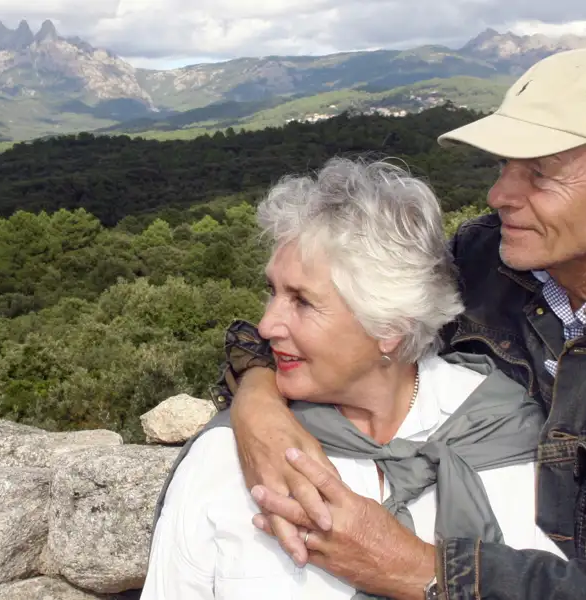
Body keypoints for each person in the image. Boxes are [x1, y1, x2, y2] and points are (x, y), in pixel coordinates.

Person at [221, 46, 586, 599]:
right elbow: (334, 322)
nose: (499, 194)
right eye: (503, 167)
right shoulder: (485, 259)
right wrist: (258, 405)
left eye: (539, 174)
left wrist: (421, 569)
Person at [141, 157, 564, 600]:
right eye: (273, 291)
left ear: (390, 326)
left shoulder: (510, 440)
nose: (266, 326)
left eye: (301, 301)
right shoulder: (227, 458)